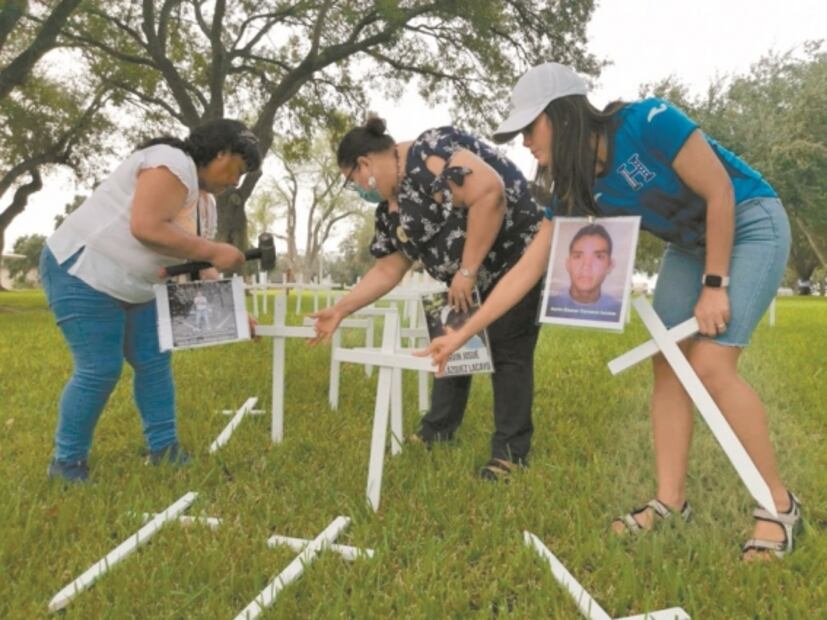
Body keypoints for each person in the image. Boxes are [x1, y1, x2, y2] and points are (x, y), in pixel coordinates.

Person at [422, 62, 801, 559]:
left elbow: (719, 191)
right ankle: (670, 502)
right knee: (666, 364)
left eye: (530, 128)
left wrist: (715, 284)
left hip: (749, 221)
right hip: (689, 245)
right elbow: (526, 269)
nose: (524, 144)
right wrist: (463, 331)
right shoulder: (572, 189)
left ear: (562, 114)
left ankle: (778, 505)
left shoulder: (648, 121)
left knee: (709, 364)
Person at [310, 117, 543, 480]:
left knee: (509, 350)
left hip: (514, 259)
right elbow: (388, 269)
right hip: (460, 281)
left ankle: (510, 453)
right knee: (449, 348)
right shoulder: (390, 211)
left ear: (365, 164)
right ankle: (438, 430)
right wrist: (341, 309)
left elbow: (489, 193)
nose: (358, 189)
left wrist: (467, 270)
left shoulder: (430, 151)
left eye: (352, 180)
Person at [40, 119, 262, 482]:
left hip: (136, 287)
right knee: (100, 368)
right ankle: (67, 464)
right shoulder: (170, 162)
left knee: (154, 361)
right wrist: (215, 249)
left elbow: (198, 267)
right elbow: (147, 226)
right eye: (237, 169)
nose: (235, 182)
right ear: (220, 152)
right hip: (83, 271)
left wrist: (235, 314)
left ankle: (164, 449)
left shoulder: (205, 205)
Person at [546, 222, 621, 321]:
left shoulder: (618, 311)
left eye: (598, 257)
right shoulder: (549, 304)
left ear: (610, 265)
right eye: (578, 256)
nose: (586, 266)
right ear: (568, 263)